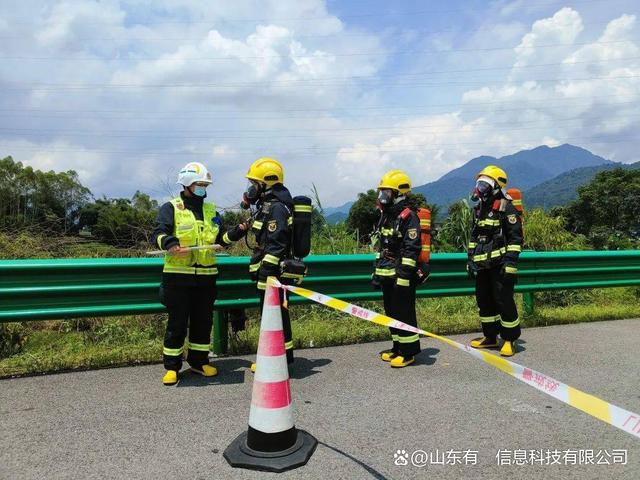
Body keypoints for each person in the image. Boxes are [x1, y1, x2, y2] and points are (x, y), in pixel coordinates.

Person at [152, 162, 246, 385]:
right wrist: (169, 242)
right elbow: (158, 233)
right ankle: (172, 367)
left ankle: (199, 362)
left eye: (205, 185)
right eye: (200, 184)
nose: (204, 188)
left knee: (203, 321)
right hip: (178, 277)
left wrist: (236, 233)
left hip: (206, 276)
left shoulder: (211, 211)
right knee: (177, 323)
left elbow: (220, 240)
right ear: (187, 184)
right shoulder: (171, 208)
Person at [240, 157, 296, 372]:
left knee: (275, 317)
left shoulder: (277, 208)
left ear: (266, 183)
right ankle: (281, 357)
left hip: (273, 274)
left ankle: (278, 359)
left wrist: (266, 272)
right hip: (269, 272)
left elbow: (277, 245)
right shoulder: (267, 206)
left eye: (254, 184)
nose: (251, 189)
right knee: (273, 316)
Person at [467, 165, 524, 357]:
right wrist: (470, 259)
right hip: (483, 266)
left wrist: (510, 263)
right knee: (484, 301)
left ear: (496, 186)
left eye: (484, 184)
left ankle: (509, 339)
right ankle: (490, 337)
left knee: (503, 301)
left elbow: (515, 239)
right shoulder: (479, 209)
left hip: (500, 265)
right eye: (479, 184)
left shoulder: (506, 207)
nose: (480, 188)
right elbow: (474, 237)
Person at [372, 170, 426, 368]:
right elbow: (383, 246)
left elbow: (411, 249)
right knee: (391, 312)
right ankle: (397, 347)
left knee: (404, 314)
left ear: (398, 193)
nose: (383, 197)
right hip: (387, 272)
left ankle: (408, 352)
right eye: (382, 192)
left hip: (402, 275)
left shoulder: (409, 216)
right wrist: (377, 273)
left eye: (387, 192)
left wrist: (403, 277)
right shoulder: (387, 215)